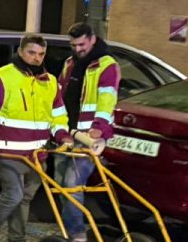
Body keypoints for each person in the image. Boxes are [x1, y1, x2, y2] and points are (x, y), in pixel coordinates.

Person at [0, 35, 72, 242]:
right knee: (14, 195)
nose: (36, 58)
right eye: (31, 52)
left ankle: (16, 238)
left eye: (41, 54)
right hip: (9, 152)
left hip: (38, 155)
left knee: (25, 199)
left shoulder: (50, 82)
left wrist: (62, 135)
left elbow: (58, 115)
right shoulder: (1, 78)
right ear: (20, 52)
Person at [55, 23, 120, 242]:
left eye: (82, 44)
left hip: (88, 137)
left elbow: (107, 98)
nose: (78, 49)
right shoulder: (70, 63)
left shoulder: (106, 65)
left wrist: (99, 127)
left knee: (71, 185)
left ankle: (77, 234)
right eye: (73, 45)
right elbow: (60, 93)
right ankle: (71, 230)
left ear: (93, 39)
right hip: (67, 133)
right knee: (59, 183)